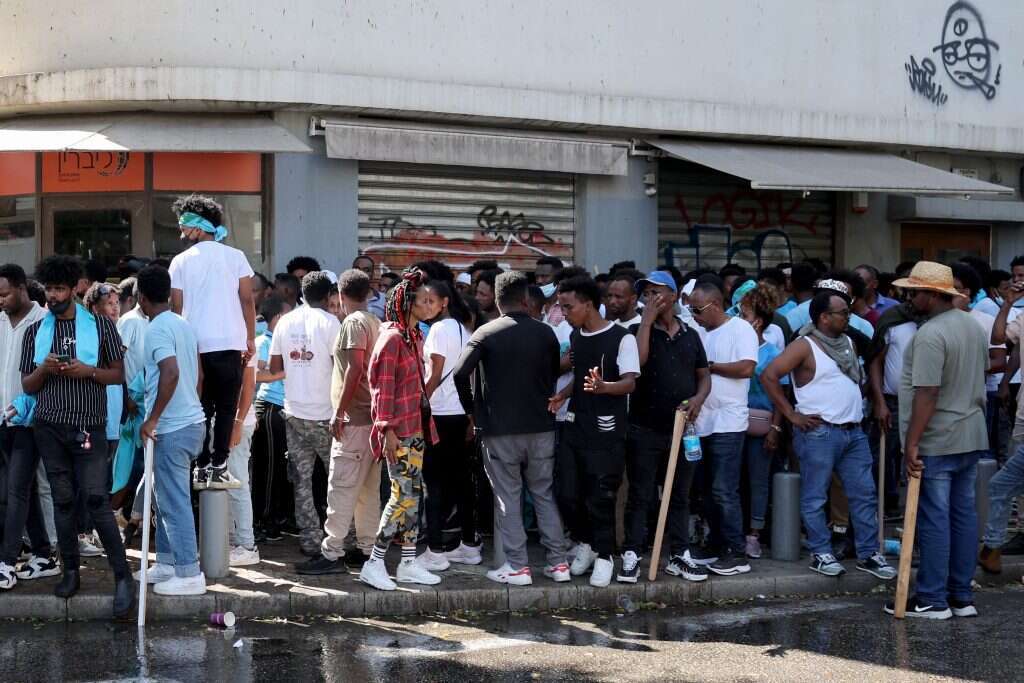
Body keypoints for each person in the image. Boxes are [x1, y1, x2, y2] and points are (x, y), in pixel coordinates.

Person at [19, 255, 133, 617]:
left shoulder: (100, 326)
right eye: (49, 289)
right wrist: (44, 369)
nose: (52, 296)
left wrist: (88, 371)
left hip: (89, 426)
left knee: (97, 500)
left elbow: (118, 374)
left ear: (72, 289)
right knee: (64, 501)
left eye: (59, 289)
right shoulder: (36, 331)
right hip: (49, 428)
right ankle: (70, 571)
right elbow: (28, 385)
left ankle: (122, 576)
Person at [762, 290, 896, 581]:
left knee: (864, 495)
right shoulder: (804, 345)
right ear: (824, 317)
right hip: (819, 432)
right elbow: (769, 375)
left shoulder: (848, 341)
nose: (848, 316)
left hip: (853, 430)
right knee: (815, 497)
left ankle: (868, 553)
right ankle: (821, 553)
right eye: (843, 313)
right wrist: (791, 414)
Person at [884, 262, 988, 619]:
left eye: (915, 292)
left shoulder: (930, 333)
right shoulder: (971, 325)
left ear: (932, 295)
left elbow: (928, 392)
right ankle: (960, 596)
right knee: (962, 515)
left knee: (934, 518)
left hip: (938, 437)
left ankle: (932, 598)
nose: (910, 298)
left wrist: (912, 443)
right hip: (970, 431)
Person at [454, 270, 570, 585]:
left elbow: (459, 374)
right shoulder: (546, 333)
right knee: (543, 494)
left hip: (499, 430)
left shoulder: (486, 333)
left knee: (508, 497)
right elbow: (552, 372)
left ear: (498, 300)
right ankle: (559, 563)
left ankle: (518, 567)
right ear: (526, 300)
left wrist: (472, 412)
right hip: (542, 427)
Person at [550, 275, 639, 587]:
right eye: (561, 307)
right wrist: (563, 395)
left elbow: (629, 382)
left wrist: (605, 387)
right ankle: (586, 543)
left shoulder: (622, 338)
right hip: (575, 424)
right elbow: (580, 376)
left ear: (588, 305)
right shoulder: (576, 336)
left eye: (568, 307)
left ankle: (605, 555)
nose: (563, 313)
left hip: (607, 430)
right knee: (566, 493)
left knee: (601, 495)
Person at [621, 271, 710, 583]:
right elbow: (638, 363)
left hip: (682, 429)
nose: (650, 298)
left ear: (673, 296)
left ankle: (679, 554)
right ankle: (632, 554)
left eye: (656, 292)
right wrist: (646, 322)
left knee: (680, 495)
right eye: (645, 294)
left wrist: (698, 399)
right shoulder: (636, 331)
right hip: (644, 428)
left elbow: (704, 376)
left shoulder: (691, 335)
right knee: (641, 494)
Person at [359, 268, 444, 591]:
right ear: (408, 303)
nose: (430, 305)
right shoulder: (392, 339)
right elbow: (382, 389)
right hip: (399, 431)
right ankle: (374, 562)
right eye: (424, 301)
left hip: (416, 428)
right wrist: (387, 430)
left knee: (413, 495)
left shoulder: (414, 336)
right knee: (401, 496)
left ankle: (408, 562)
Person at [296, 269, 382, 575]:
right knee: (367, 491)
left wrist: (339, 411)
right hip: (372, 420)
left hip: (355, 419)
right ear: (368, 293)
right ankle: (367, 550)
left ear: (341, 296)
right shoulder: (375, 322)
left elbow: (354, 369)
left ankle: (332, 553)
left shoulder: (353, 323)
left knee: (341, 487)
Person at [131, 266, 209, 595]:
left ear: (141, 297)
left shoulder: (156, 329)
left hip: (172, 428)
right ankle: (166, 563)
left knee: (173, 501)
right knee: (164, 497)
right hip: (190, 423)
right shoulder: (183, 324)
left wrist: (153, 419)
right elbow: (198, 376)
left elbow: (171, 372)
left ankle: (189, 572)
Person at [169, 194, 256, 488]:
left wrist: (179, 346)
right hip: (230, 343)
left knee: (201, 407)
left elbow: (176, 308)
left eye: (184, 226)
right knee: (227, 406)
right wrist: (250, 338)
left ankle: (201, 466)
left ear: (197, 227)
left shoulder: (180, 261)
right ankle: (219, 465)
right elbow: (247, 300)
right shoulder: (236, 256)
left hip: (195, 346)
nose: (182, 232)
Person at [686, 282, 757, 576]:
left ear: (715, 304)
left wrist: (710, 366)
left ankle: (736, 552)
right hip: (701, 420)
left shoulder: (740, 329)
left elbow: (746, 368)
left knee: (724, 490)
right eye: (690, 310)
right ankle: (715, 544)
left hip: (729, 421)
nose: (694, 315)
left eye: (697, 309)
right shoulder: (699, 331)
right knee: (705, 490)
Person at [269, 272, 341, 557]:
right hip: (326, 415)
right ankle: (339, 539)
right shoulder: (331, 323)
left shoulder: (285, 322)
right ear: (327, 296)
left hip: (294, 412)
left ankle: (309, 540)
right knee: (337, 479)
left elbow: (275, 368)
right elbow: (342, 369)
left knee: (302, 480)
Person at [419, 281, 479, 570]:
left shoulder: (439, 330)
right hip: (460, 414)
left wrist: (420, 403)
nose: (425, 306)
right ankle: (469, 545)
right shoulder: (463, 330)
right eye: (422, 301)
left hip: (440, 413)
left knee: (433, 483)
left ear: (444, 302)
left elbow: (436, 372)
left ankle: (435, 550)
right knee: (461, 482)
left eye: (430, 301)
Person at [0, 264, 53, 590]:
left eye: (4, 294)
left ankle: (6, 563)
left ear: (21, 288)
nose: (1, 300)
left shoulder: (43, 321)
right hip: (1, 420)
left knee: (14, 490)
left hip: (30, 421)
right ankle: (43, 553)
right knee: (25, 490)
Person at [736, 285, 787, 560]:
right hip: (732, 423)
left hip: (761, 423)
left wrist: (775, 429)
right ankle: (733, 531)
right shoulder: (733, 347)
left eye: (744, 315)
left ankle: (754, 534)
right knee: (732, 480)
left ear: (757, 321)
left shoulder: (773, 353)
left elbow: (781, 396)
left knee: (758, 480)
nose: (738, 319)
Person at [251, 296, 293, 541]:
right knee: (266, 468)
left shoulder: (283, 343)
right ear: (277, 318)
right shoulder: (263, 342)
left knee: (279, 468)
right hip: (269, 408)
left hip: (285, 408)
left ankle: (275, 516)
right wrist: (284, 372)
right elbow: (256, 374)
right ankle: (262, 520)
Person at [353, 255, 386, 319]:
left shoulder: (383, 299)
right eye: (357, 269)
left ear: (373, 274)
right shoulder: (344, 297)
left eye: (366, 270)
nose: (361, 273)